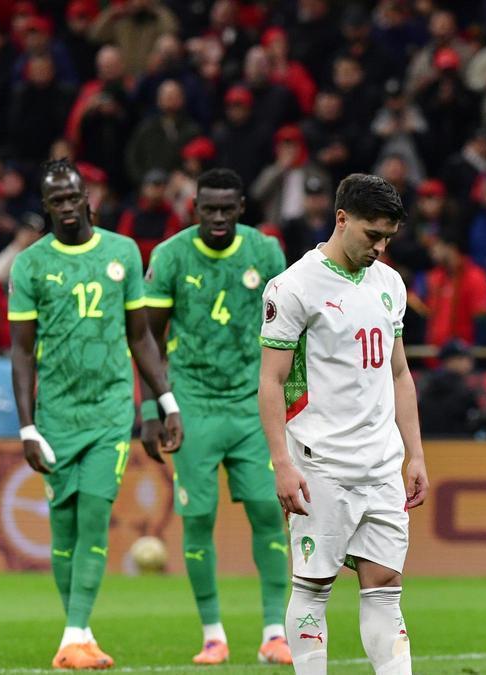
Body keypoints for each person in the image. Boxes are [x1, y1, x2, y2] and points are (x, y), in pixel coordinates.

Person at [8, 159, 183, 669]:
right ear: (46, 208)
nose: (67, 207)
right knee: (63, 530)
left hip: (109, 409)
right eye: (56, 201)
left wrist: (165, 399)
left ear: (90, 198)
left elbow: (141, 336)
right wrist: (27, 426)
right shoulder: (30, 265)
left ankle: (76, 632)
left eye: (73, 197)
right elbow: (21, 352)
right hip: (57, 414)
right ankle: (75, 635)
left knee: (93, 515)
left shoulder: (122, 252)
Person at [258, 174, 428, 674]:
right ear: (341, 219)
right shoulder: (293, 287)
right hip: (319, 464)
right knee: (313, 587)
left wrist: (414, 454)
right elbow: (271, 382)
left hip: (380, 465)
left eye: (387, 239)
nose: (379, 248)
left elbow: (399, 373)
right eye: (371, 235)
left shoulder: (390, 284)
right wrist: (281, 464)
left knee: (385, 590)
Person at [140, 168, 291, 665]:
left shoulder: (266, 252)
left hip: (252, 406)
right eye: (211, 209)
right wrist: (152, 407)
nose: (220, 218)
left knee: (269, 512)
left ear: (242, 207)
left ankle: (275, 632)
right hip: (194, 405)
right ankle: (213, 635)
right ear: (196, 209)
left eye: (228, 209)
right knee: (198, 517)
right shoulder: (171, 256)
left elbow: (290, 329)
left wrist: (296, 396)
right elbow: (148, 340)